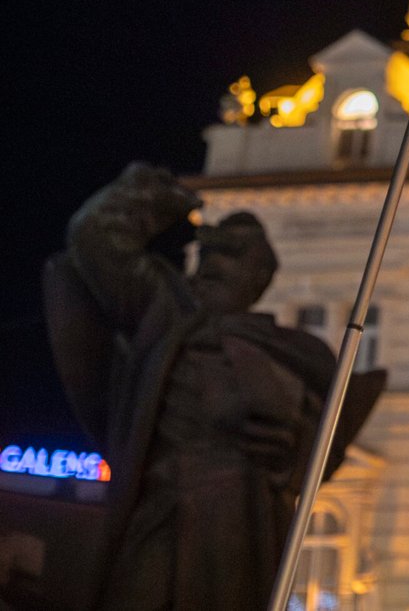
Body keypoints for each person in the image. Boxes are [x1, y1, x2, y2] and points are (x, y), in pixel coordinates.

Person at [42, 163, 379, 611]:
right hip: (158, 511)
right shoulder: (164, 315)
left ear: (259, 279)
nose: (213, 264)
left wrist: (290, 449)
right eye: (209, 252)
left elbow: (316, 455)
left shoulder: (294, 354)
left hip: (236, 524)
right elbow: (94, 238)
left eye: (232, 255)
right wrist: (156, 198)